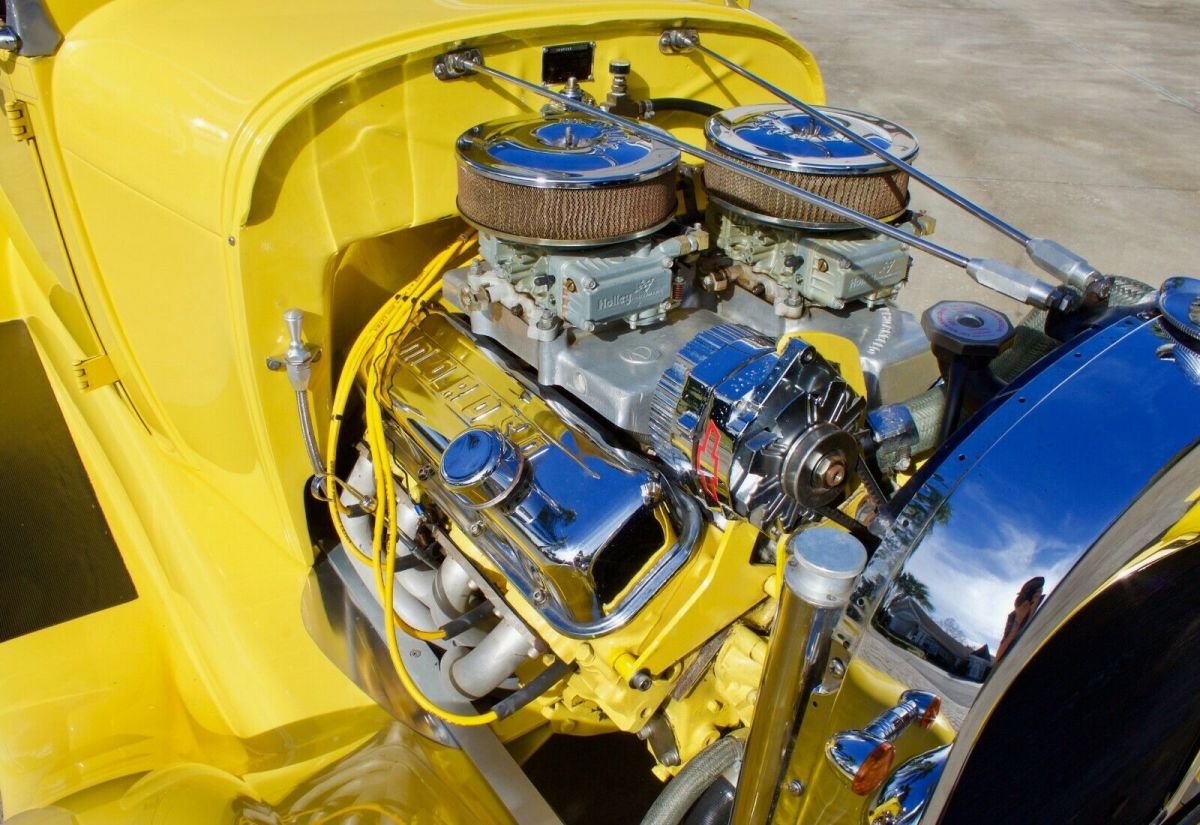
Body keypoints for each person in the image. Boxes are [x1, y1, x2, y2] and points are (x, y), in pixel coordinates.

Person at [995, 576, 1045, 661]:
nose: (1027, 603)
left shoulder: (1044, 605)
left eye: (1038, 592)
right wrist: (1018, 620)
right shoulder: (1013, 617)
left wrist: (1033, 609)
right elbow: (998, 658)